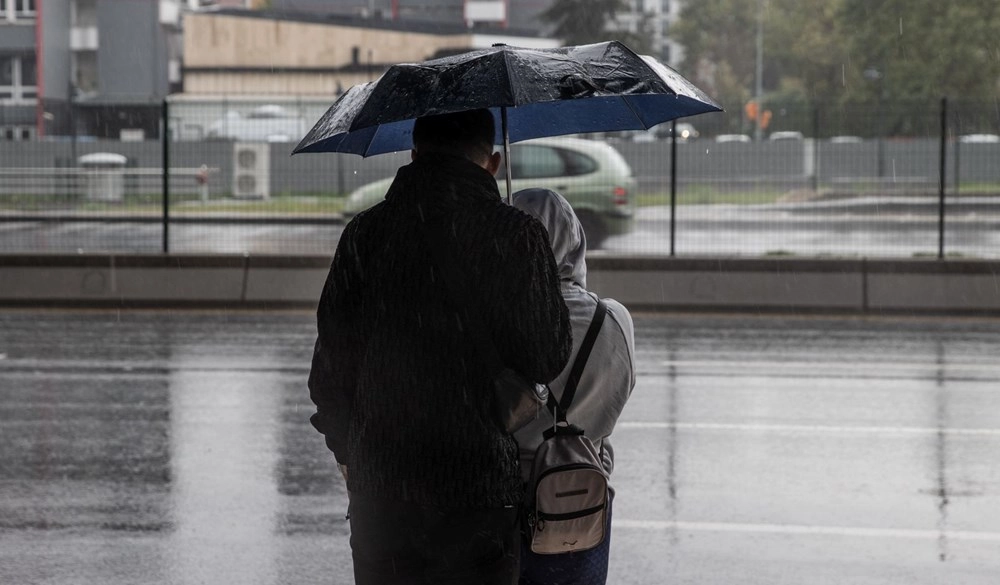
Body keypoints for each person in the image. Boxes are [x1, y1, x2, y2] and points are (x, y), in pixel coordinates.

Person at [307, 109, 572, 585]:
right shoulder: (516, 234)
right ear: (493, 163)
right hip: (480, 489)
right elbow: (548, 354)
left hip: (383, 492)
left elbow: (329, 370)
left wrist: (350, 452)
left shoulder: (364, 235)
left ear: (413, 154)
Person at [511, 188, 636, 585]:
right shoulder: (613, 318)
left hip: (509, 499)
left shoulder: (496, 322)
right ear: (575, 237)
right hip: (585, 498)